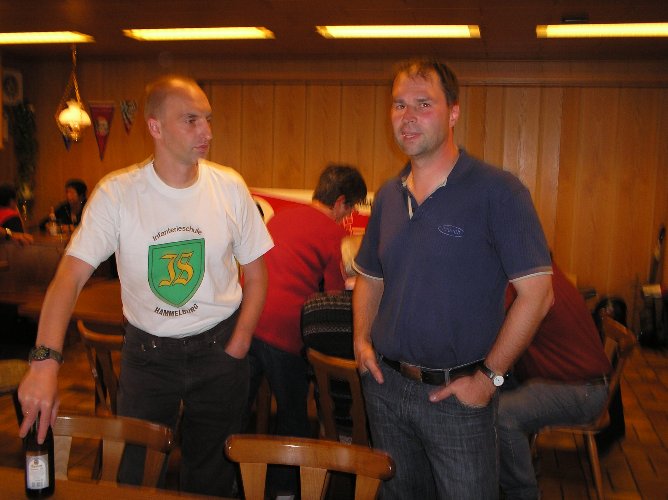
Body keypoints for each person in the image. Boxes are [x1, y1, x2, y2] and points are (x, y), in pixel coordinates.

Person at [17, 75, 273, 497]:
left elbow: (258, 276)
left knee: (212, 477)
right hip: (147, 355)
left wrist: (240, 343)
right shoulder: (117, 193)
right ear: (155, 126)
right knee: (134, 472)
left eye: (208, 119)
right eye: (191, 120)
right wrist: (45, 364)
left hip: (221, 350)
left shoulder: (229, 186)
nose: (206, 132)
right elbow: (68, 279)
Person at [352, 58, 554, 499]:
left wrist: (488, 380)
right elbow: (370, 276)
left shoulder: (498, 192)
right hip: (386, 389)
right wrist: (361, 341)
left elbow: (538, 295)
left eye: (423, 104)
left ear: (453, 113)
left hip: (458, 399)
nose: (408, 117)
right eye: (399, 105)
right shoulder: (387, 195)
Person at [246, 164, 366, 496]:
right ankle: (283, 490)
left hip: (248, 322)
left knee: (240, 410)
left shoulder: (280, 219)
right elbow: (333, 296)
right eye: (350, 209)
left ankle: (238, 483)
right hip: (286, 333)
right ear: (340, 202)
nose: (348, 217)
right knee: (294, 417)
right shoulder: (333, 235)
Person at [498, 263, 612, 499]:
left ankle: (524, 494)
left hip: (582, 391)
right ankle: (516, 464)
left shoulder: (525, 285)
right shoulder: (544, 274)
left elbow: (496, 336)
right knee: (496, 388)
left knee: (502, 415)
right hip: (579, 383)